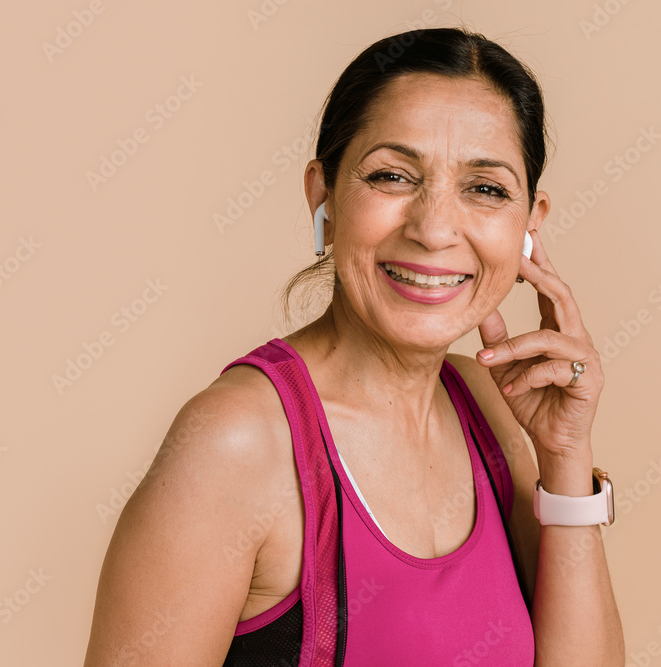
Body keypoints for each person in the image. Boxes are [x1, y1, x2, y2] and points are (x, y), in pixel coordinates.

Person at [83, 26, 624, 665]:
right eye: (393, 176)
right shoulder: (237, 442)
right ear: (324, 198)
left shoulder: (490, 403)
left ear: (529, 224)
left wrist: (564, 457)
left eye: (485, 189)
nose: (434, 229)